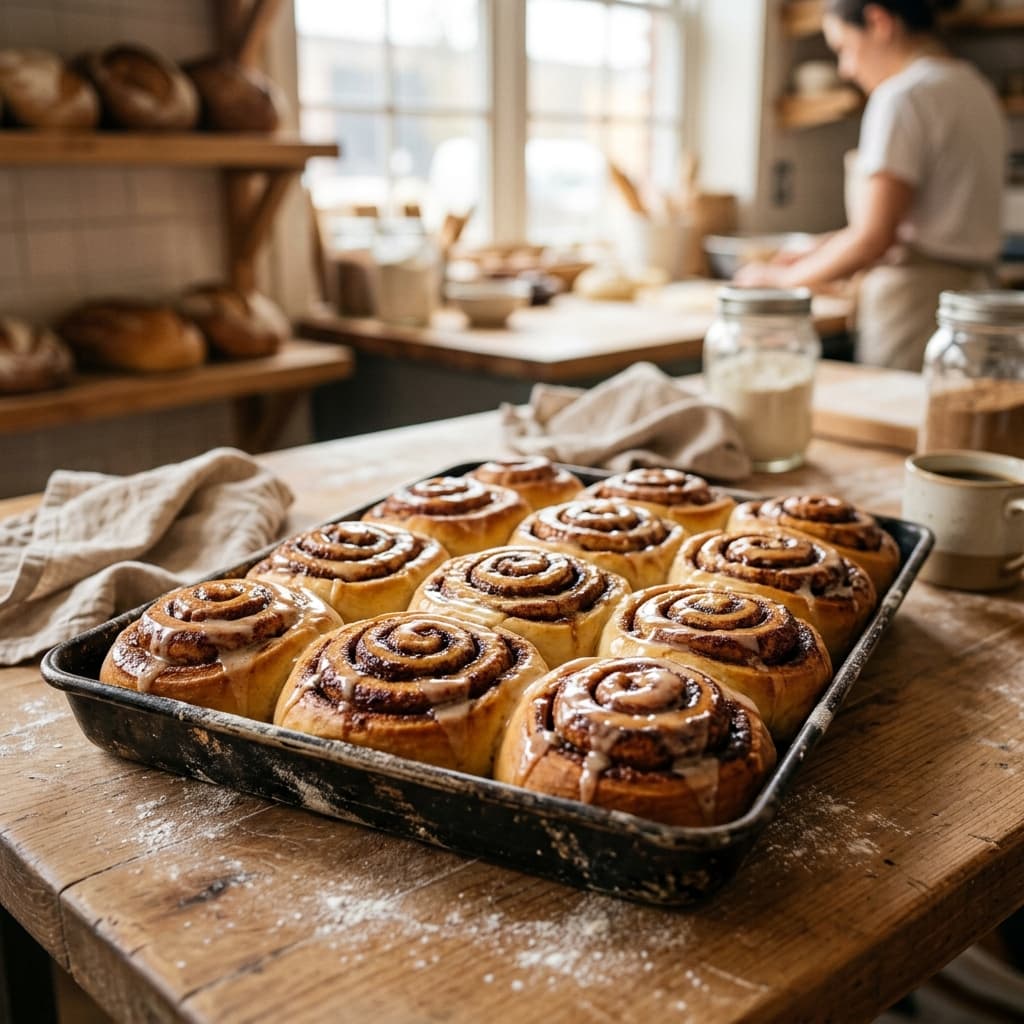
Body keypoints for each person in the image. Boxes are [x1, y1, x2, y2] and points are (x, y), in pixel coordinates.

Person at [736, 0, 1006, 371]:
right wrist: (819, 249)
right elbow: (927, 218)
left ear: (879, 22)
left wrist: (782, 280)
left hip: (915, 310)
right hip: (974, 307)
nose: (846, 69)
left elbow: (874, 237)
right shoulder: (976, 88)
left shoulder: (903, 95)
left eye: (844, 47)